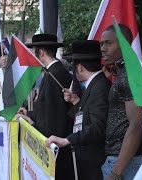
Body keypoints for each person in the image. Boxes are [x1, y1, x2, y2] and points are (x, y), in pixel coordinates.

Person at [46, 40, 110, 180]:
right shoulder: (95, 84)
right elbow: (87, 116)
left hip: (93, 162)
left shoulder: (99, 87)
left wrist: (67, 140)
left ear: (79, 67)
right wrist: (76, 102)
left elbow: (98, 126)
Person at [17, 34, 74, 180]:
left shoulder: (54, 74)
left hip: (55, 150)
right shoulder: (52, 72)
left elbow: (53, 116)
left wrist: (32, 125)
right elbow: (46, 108)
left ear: (41, 52)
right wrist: (29, 114)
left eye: (34, 51)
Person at [100, 24, 142, 180]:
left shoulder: (130, 74)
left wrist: (116, 172)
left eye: (108, 43)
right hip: (121, 161)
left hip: (127, 164)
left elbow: (136, 125)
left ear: (123, 44)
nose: (103, 48)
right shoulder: (124, 72)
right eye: (102, 44)